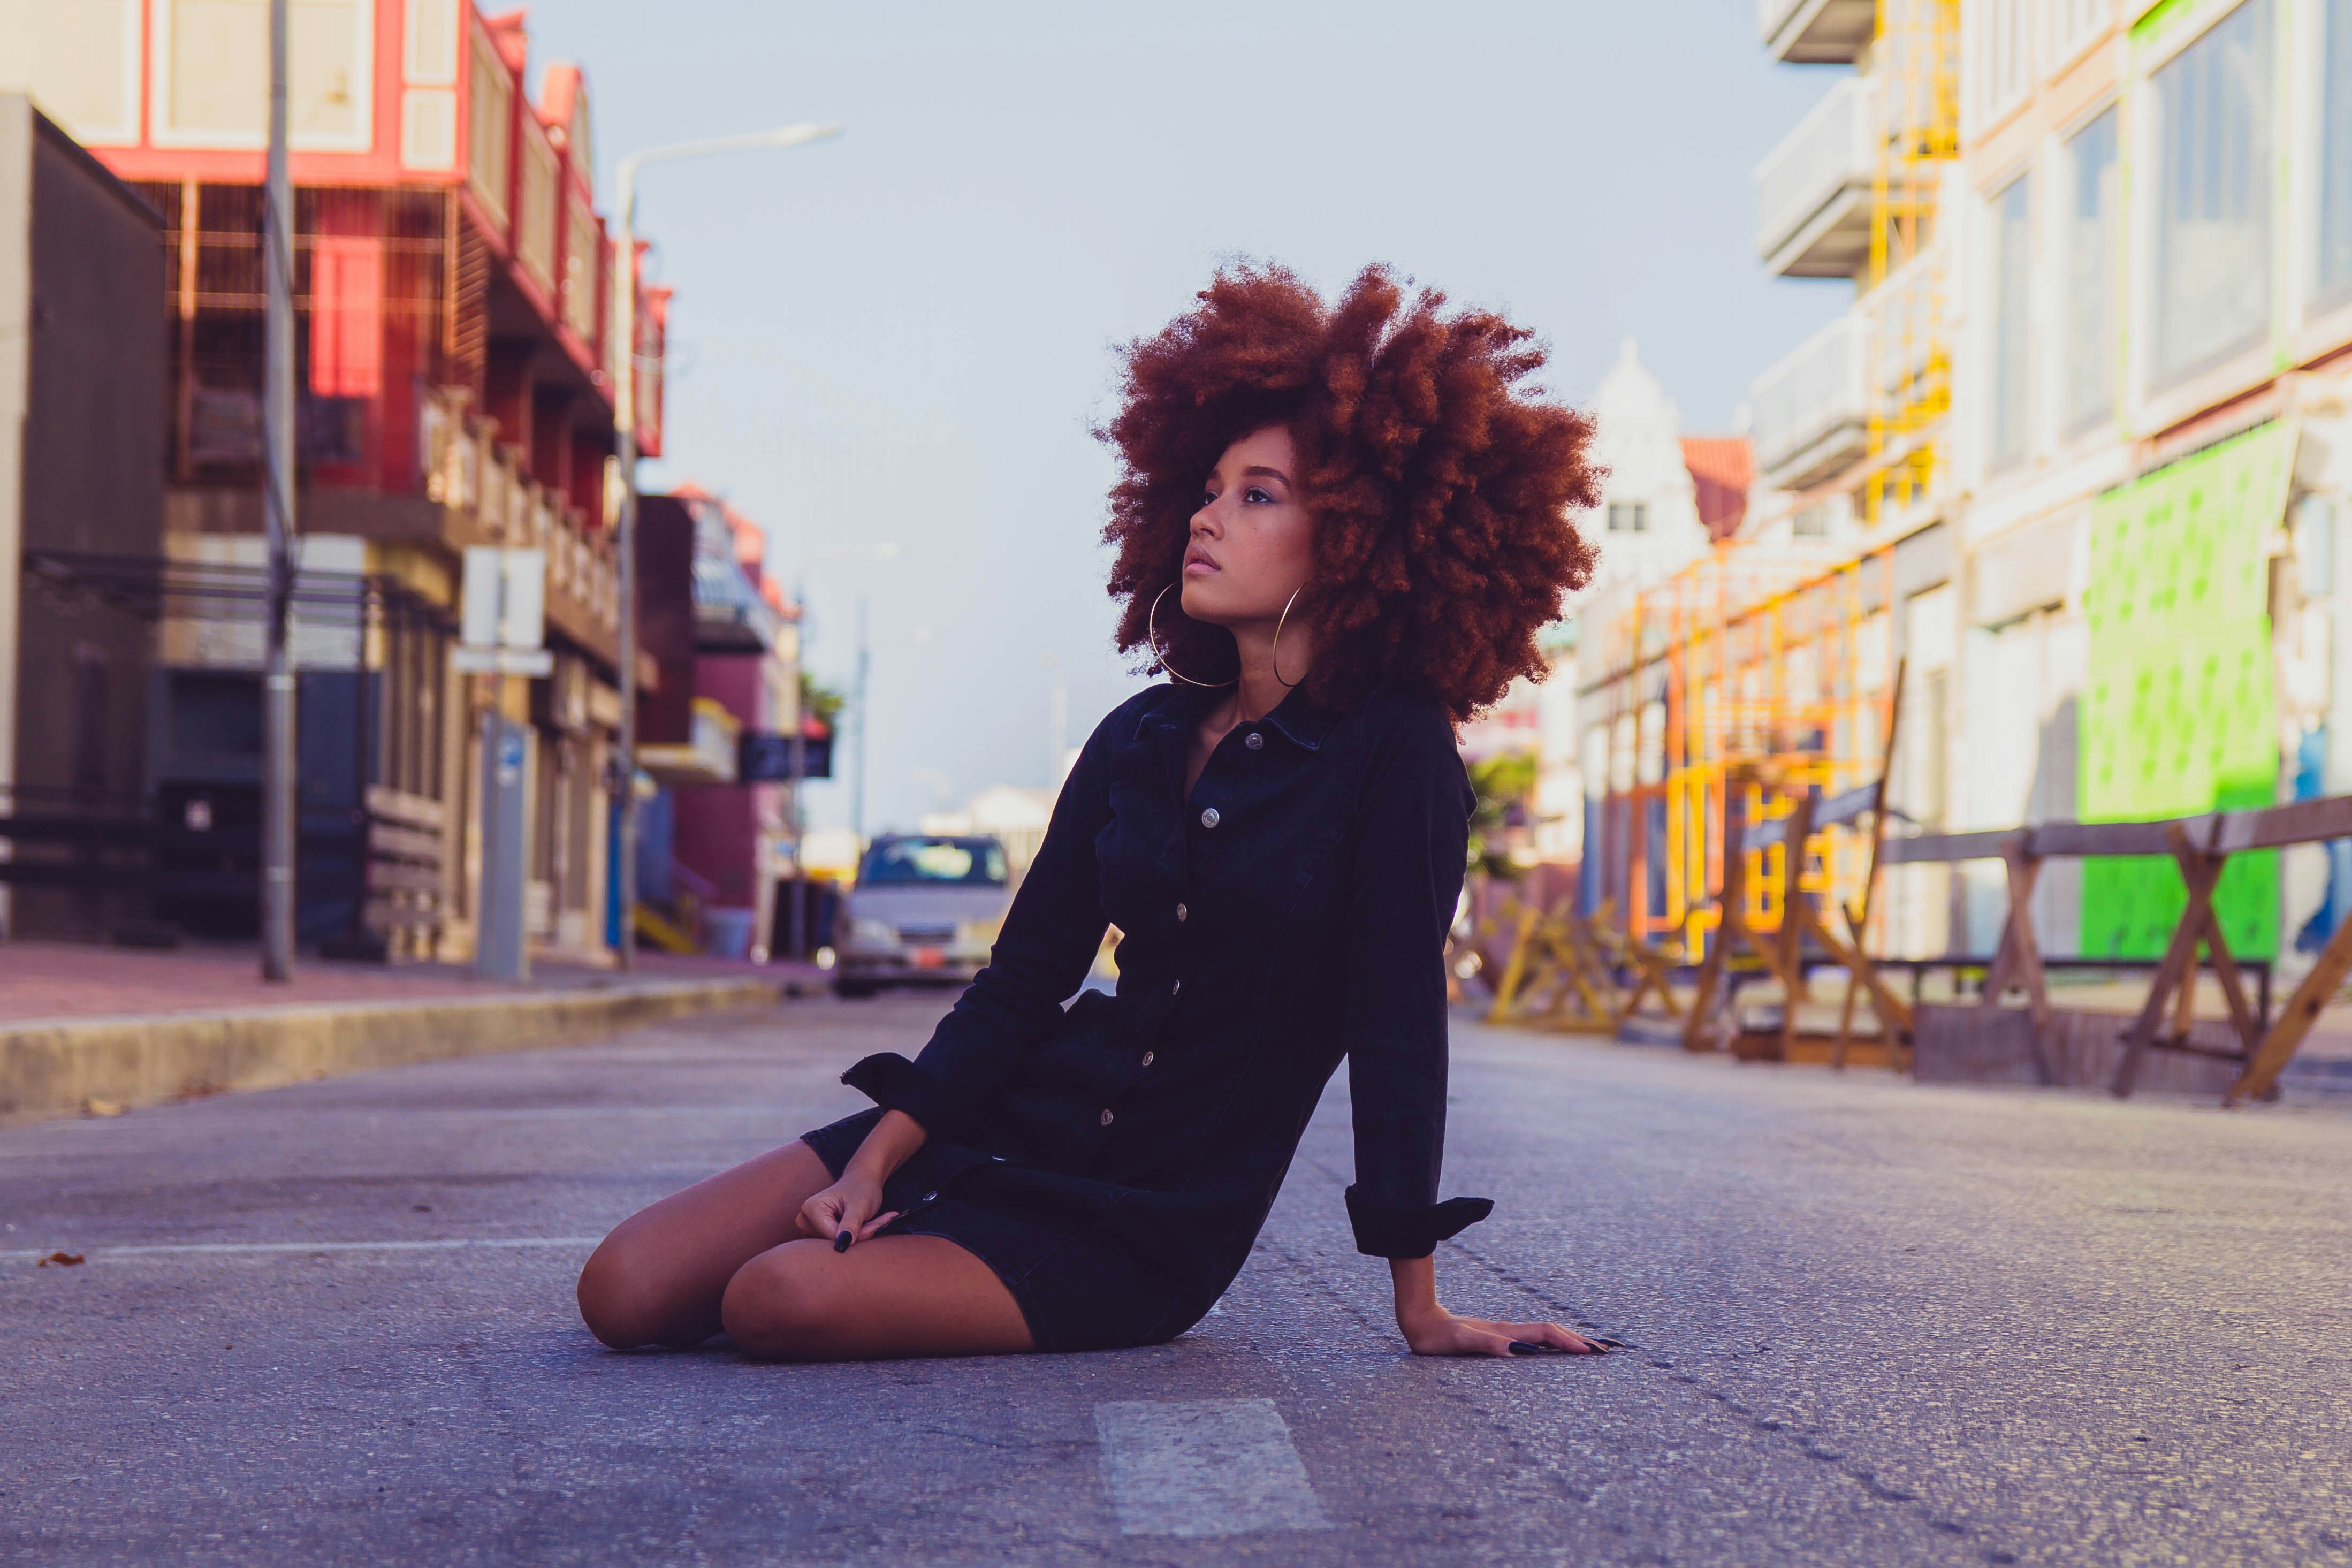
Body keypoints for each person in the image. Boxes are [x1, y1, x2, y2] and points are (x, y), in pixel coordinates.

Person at [576, 263, 1604, 1361]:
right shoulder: (1141, 738)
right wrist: (876, 1160)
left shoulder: (1395, 752)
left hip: (1142, 1221)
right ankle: (893, 1204)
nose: (1208, 516)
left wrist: (1419, 1303)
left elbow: (1397, 1023)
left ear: (1356, 535)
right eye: (1207, 489)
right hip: (1003, 1122)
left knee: (775, 1300)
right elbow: (1022, 985)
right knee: (623, 1287)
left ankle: (902, 1254)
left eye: (1257, 494)